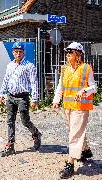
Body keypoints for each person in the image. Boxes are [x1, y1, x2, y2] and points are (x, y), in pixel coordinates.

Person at [52, 42, 97, 179]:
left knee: (74, 135)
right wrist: (56, 100)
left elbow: (94, 87)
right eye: (67, 52)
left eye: (70, 52)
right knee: (75, 131)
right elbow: (60, 86)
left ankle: (70, 164)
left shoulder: (86, 68)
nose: (67, 55)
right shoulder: (64, 69)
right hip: (68, 107)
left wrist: (85, 90)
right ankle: (86, 150)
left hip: (81, 108)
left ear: (78, 54)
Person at [0, 41, 42, 157]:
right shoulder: (10, 65)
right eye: (16, 52)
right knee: (10, 121)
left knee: (25, 121)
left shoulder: (29, 66)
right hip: (11, 96)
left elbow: (34, 83)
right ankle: (10, 146)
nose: (18, 54)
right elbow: (6, 80)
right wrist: (1, 94)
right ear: (13, 52)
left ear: (23, 52)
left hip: (23, 97)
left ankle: (36, 133)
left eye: (20, 52)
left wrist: (35, 99)